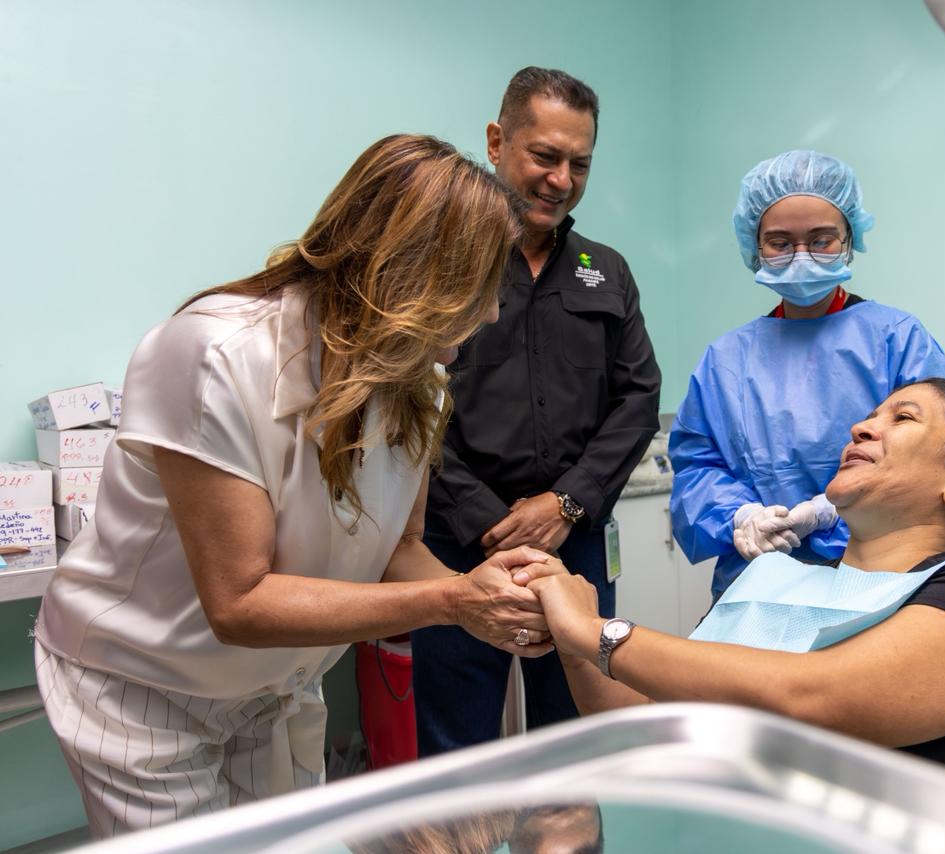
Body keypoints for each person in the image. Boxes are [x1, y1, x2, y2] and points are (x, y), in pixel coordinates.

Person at [32, 134, 557, 837]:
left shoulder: (414, 383)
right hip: (146, 683)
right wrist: (453, 602)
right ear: (417, 274)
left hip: (272, 687)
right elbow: (240, 602)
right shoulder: (214, 355)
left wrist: (488, 596)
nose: (491, 312)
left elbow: (398, 549)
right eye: (482, 285)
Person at [523, 379, 945, 786]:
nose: (862, 427)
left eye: (902, 418)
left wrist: (596, 633)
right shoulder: (772, 580)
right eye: (870, 415)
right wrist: (573, 639)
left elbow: (808, 701)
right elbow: (645, 723)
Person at [411, 67, 661, 754]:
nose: (561, 180)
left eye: (580, 164)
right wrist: (489, 520)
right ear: (497, 142)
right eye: (545, 156)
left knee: (577, 736)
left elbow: (638, 398)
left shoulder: (605, 271)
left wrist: (566, 504)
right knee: (455, 742)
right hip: (460, 542)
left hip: (574, 539)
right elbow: (407, 403)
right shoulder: (438, 264)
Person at [669, 150, 945, 601]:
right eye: (780, 243)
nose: (801, 257)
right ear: (755, 246)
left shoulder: (896, 339)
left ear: (849, 238)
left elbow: (936, 456)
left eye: (821, 240)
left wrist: (834, 510)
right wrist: (742, 517)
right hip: (758, 583)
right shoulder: (726, 360)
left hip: (878, 578)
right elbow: (698, 467)